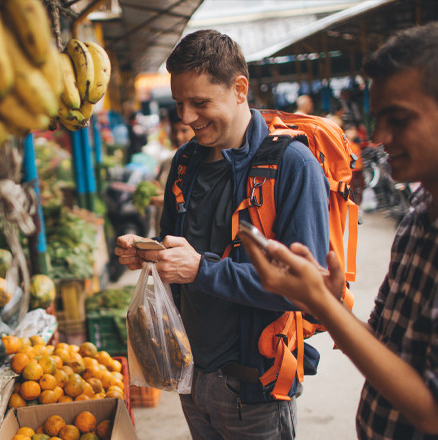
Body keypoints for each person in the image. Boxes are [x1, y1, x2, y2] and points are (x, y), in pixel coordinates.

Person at [114, 29, 330, 439]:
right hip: (190, 378)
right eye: (180, 104)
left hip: (253, 391)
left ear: (239, 89)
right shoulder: (185, 162)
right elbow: (178, 250)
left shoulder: (291, 165)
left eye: (199, 103)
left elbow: (306, 289)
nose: (186, 118)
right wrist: (149, 254)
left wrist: (201, 270)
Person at [241, 23, 438, 439]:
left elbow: (430, 411)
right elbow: (385, 350)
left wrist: (324, 305)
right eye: (377, 119)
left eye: (398, 120)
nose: (380, 139)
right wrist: (326, 302)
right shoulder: (419, 215)